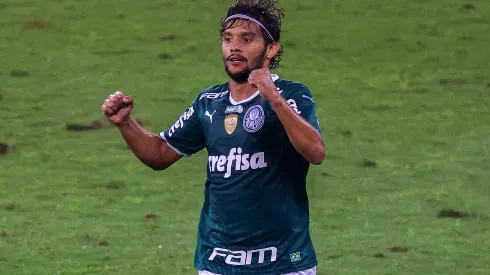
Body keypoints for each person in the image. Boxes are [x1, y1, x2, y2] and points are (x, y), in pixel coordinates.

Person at [101, 0, 326, 274]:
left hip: (284, 261)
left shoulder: (291, 94)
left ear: (271, 49)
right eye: (228, 39)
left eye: (246, 39)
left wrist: (273, 99)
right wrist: (125, 123)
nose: (234, 47)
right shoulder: (209, 103)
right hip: (218, 261)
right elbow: (159, 154)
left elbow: (316, 152)